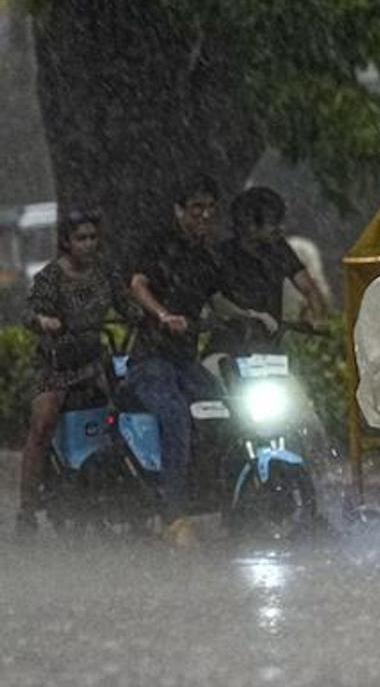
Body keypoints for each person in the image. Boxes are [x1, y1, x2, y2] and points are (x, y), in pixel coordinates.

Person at [127, 174, 276, 546]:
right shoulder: (159, 245)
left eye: (210, 209)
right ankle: (173, 514)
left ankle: (229, 501)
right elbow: (137, 285)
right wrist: (163, 315)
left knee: (226, 409)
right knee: (175, 414)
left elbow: (216, 299)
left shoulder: (207, 256)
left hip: (185, 361)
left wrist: (251, 316)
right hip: (151, 360)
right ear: (179, 211)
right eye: (196, 209)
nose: (204, 216)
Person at [14, 209, 135, 539]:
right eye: (81, 238)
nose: (88, 244)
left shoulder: (105, 274)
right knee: (42, 423)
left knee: (130, 410)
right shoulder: (51, 277)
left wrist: (150, 316)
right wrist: (43, 321)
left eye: (93, 238)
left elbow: (128, 306)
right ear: (66, 242)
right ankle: (26, 510)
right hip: (57, 366)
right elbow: (30, 311)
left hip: (96, 362)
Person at [206, 186, 329, 361]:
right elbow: (217, 302)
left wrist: (316, 316)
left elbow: (308, 287)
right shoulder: (222, 255)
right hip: (228, 347)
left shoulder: (279, 249)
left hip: (269, 348)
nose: (280, 228)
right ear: (249, 225)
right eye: (273, 223)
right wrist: (250, 316)